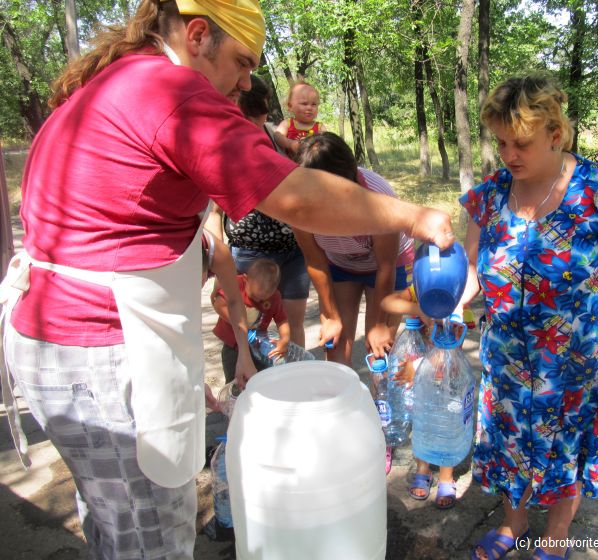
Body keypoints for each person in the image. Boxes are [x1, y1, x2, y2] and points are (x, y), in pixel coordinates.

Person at [0, 1, 455, 557]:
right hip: (101, 353)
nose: (245, 82)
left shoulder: (120, 80)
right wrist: (414, 216)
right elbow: (296, 198)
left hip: (59, 344)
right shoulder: (170, 93)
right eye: (241, 62)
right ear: (197, 36)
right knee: (151, 541)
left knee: (114, 524)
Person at [459, 75, 598, 560]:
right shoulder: (489, 195)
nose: (508, 154)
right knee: (507, 441)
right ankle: (513, 522)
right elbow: (474, 270)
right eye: (501, 142)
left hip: (575, 360)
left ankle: (556, 536)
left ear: (555, 135)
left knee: (565, 447)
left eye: (520, 143)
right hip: (505, 356)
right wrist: (452, 304)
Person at [294, 132, 414, 366]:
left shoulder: (377, 196)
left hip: (388, 266)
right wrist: (330, 316)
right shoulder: (297, 202)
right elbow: (315, 260)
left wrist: (379, 324)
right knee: (335, 347)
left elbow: (386, 267)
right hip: (340, 263)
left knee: (379, 351)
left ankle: (381, 389)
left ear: (351, 179)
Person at [208, 74, 310, 347]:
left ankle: (298, 371)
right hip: (249, 254)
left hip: (292, 250)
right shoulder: (222, 146)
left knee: (293, 324)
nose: (255, 125)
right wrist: (220, 258)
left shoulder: (278, 138)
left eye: (261, 116)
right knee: (244, 326)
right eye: (248, 117)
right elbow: (215, 212)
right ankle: (246, 370)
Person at [381, 286, 466, 508]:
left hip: (446, 378)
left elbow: (450, 350)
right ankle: (423, 470)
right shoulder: (418, 291)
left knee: (446, 424)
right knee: (421, 420)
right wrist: (420, 309)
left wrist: (418, 366)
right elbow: (387, 302)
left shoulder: (455, 300)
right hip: (421, 377)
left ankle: (446, 477)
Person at [201, 229, 256, 411]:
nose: (201, 284)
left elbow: (234, 301)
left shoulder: (217, 252)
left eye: (204, 278)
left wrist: (244, 354)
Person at [212, 258, 290, 383]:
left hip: (258, 345)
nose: (258, 301)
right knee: (236, 380)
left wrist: (284, 339)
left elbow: (282, 321)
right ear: (246, 279)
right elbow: (218, 304)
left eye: (263, 299)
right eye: (254, 296)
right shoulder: (237, 285)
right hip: (233, 345)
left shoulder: (275, 297)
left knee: (262, 377)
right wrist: (238, 322)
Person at [274, 81, 326, 157]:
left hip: (315, 162)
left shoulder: (320, 127)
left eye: (314, 104)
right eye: (304, 103)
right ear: (290, 106)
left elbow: (327, 143)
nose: (309, 108)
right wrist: (290, 144)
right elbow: (277, 136)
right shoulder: (287, 123)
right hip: (291, 163)